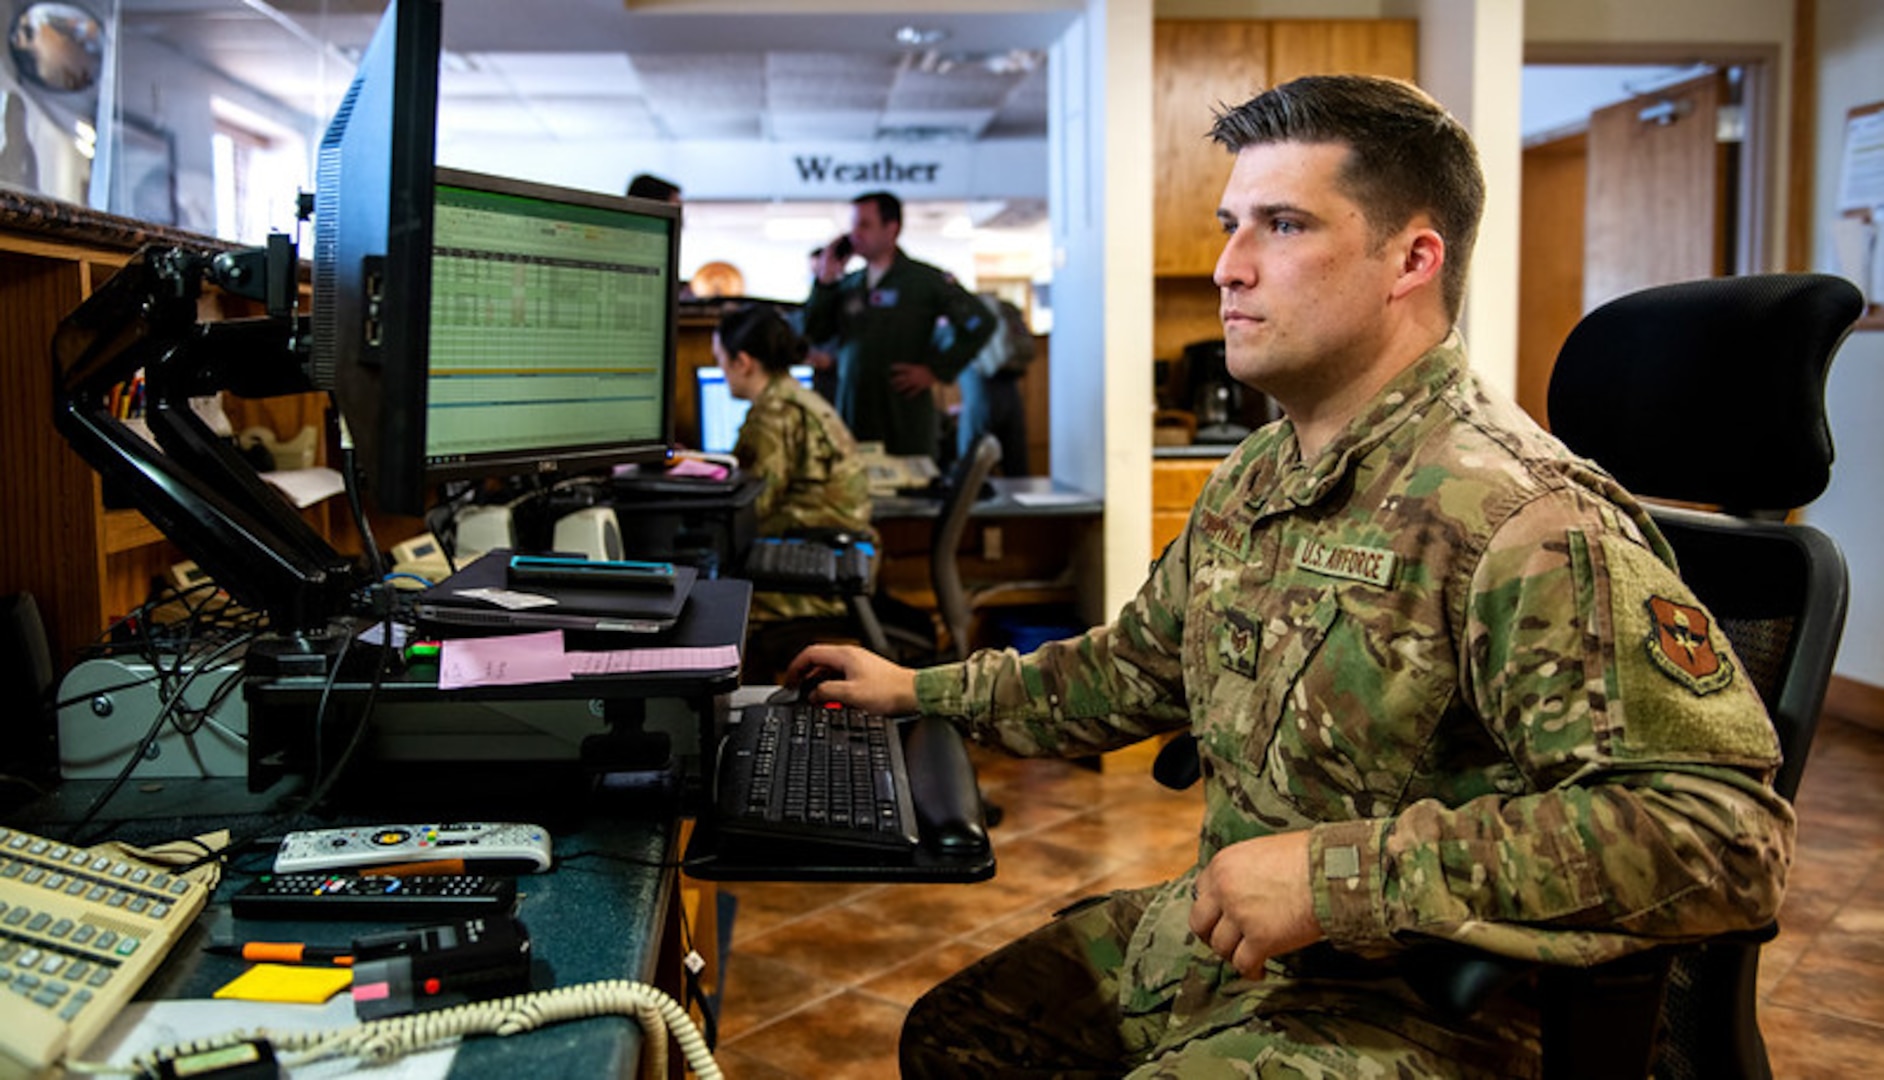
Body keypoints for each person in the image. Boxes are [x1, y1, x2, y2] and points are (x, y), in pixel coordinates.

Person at [784, 74, 1795, 1078]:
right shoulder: (1260, 476)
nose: (1229, 266)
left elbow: (1724, 839)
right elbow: (1132, 670)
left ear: (1412, 258)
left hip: (1437, 1001)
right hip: (1250, 949)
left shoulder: (1525, 521)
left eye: (1282, 225)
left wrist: (1335, 877)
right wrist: (918, 691)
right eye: (1232, 224)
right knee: (960, 1035)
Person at [713, 303, 877, 673]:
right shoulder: (796, 398)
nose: (722, 371)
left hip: (815, 576)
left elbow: (752, 507)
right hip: (839, 560)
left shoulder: (773, 415)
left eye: (721, 360)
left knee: (715, 608)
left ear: (743, 361)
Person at [802, 190, 996, 459]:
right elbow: (814, 333)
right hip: (854, 408)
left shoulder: (924, 281)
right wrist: (824, 283)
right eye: (853, 225)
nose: (854, 234)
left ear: (892, 229)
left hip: (903, 413)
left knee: (912, 488)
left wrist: (936, 369)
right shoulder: (848, 285)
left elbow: (981, 323)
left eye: (865, 225)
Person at [954, 292, 1034, 477]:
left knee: (972, 463)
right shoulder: (1000, 309)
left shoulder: (960, 314)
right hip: (1009, 383)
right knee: (1015, 462)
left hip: (980, 382)